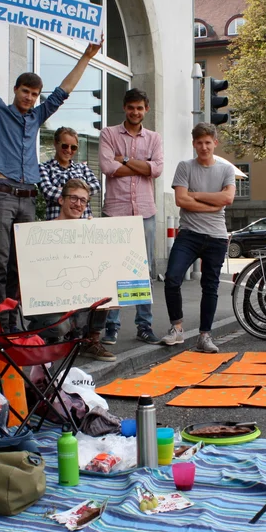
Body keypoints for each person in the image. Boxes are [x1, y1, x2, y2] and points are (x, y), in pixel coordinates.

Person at [0, 0, 102, 326]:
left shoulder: (38, 116)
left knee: (23, 263)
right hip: (2, 193)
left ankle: (15, 319)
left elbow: (64, 91)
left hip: (28, 198)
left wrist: (87, 56)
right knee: (0, 261)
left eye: (33, 93)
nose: (29, 97)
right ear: (15, 90)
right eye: (25, 91)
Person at [161, 123, 236, 353]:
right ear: (193, 144)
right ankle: (177, 328)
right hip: (189, 235)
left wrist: (196, 195)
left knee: (210, 286)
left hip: (216, 237)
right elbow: (181, 201)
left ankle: (205, 336)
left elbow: (228, 198)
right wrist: (212, 204)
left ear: (215, 142)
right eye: (199, 143)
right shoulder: (185, 167)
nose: (204, 147)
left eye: (208, 142)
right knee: (172, 278)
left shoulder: (226, 169)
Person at [98, 88, 164, 345]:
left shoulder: (154, 138)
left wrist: (124, 159)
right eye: (131, 107)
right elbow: (107, 167)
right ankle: (111, 326)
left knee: (142, 271)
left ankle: (144, 325)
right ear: (124, 108)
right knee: (114, 270)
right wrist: (141, 166)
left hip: (145, 212)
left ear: (146, 109)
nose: (135, 112)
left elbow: (156, 170)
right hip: (116, 211)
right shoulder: (108, 133)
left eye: (140, 108)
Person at [53, 179, 115, 362]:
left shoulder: (89, 231)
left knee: (106, 284)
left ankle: (90, 340)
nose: (78, 204)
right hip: (57, 292)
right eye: (73, 198)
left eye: (83, 201)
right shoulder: (44, 231)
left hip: (80, 287)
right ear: (61, 200)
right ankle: (64, 339)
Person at [38, 127, 102, 220]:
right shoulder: (44, 168)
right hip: (57, 226)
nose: (69, 150)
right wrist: (82, 192)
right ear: (55, 143)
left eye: (73, 147)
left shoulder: (82, 167)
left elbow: (96, 186)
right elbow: (48, 192)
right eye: (65, 146)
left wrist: (64, 191)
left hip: (83, 223)